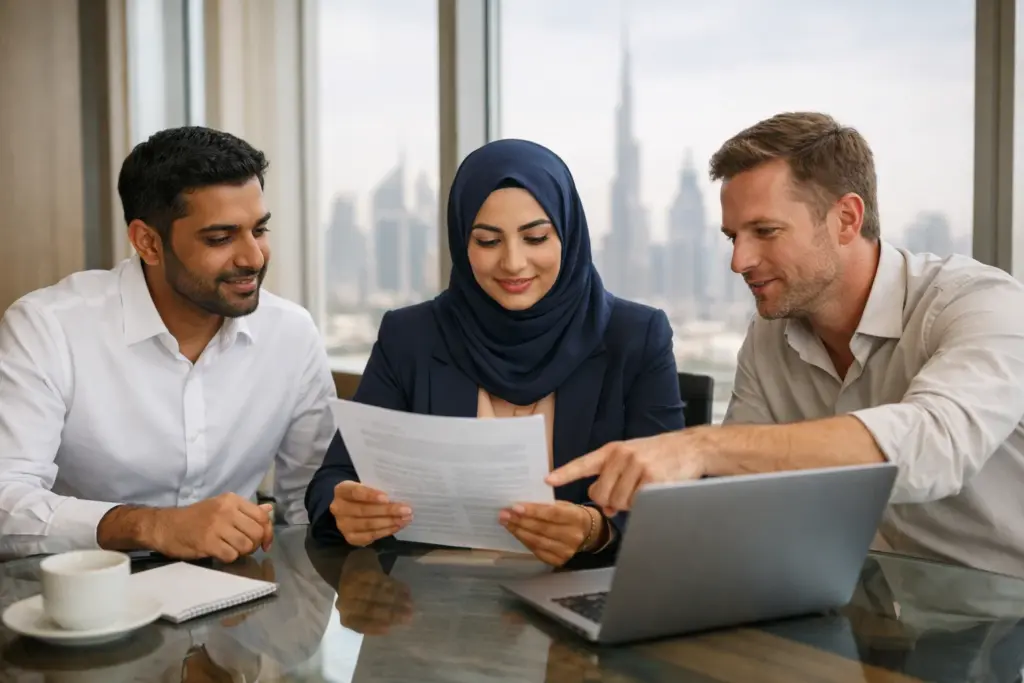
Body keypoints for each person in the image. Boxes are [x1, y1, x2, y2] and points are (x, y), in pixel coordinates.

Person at [547, 111, 1024, 577]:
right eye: (734, 236)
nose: (739, 261)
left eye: (765, 232)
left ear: (846, 219)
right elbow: (741, 496)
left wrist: (700, 446)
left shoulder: (980, 303)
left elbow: (936, 446)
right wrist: (598, 529)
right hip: (859, 607)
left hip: (1003, 623)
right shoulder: (771, 332)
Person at [305, 138, 684, 567]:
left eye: (536, 237)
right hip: (429, 608)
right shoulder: (410, 336)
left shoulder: (635, 336)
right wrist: (346, 508)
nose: (514, 263)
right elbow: (332, 481)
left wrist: (596, 531)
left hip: (576, 603)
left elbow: (667, 504)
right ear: (462, 244)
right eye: (488, 242)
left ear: (569, 234)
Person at [0, 126, 336, 561]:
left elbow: (310, 502)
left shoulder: (292, 333)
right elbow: (6, 501)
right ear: (148, 242)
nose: (252, 257)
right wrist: (151, 526)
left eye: (260, 230)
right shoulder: (48, 327)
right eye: (220, 238)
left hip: (235, 602)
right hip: (85, 599)